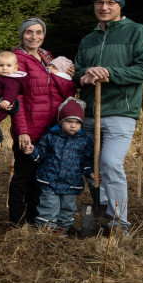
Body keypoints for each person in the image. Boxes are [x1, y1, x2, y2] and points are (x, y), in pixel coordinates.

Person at [73, 0, 143, 236]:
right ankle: (103, 213)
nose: (104, 7)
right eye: (100, 2)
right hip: (89, 114)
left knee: (109, 163)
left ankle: (120, 224)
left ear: (120, 5)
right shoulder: (88, 39)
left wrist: (110, 72)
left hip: (120, 112)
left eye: (111, 3)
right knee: (91, 167)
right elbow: (75, 72)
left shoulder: (136, 32)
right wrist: (83, 75)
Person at [8, 18, 77, 229]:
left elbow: (65, 93)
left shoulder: (48, 59)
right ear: (22, 34)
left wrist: (61, 75)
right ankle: (16, 221)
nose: (34, 36)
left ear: (43, 35)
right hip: (30, 129)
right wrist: (22, 130)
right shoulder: (17, 60)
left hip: (51, 131)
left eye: (38, 32)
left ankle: (35, 219)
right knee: (23, 176)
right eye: (29, 32)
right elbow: (15, 99)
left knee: (42, 178)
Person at [32, 98, 95, 235]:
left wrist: (90, 172)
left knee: (68, 207)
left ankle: (63, 229)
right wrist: (32, 150)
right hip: (50, 179)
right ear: (60, 122)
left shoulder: (84, 141)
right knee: (49, 204)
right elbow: (41, 153)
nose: (73, 125)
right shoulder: (51, 136)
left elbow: (86, 161)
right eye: (69, 121)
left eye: (77, 122)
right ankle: (46, 229)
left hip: (71, 181)